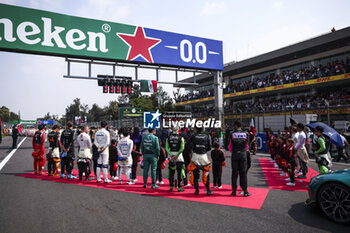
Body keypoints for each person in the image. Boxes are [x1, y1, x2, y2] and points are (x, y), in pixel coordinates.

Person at [228, 121, 251, 197]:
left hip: (235, 154)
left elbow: (229, 146)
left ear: (236, 125)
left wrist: (233, 151)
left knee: (234, 173)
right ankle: (245, 191)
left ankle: (234, 191)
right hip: (243, 154)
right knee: (243, 173)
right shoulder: (246, 134)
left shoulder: (232, 134)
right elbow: (247, 146)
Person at [189, 126, 213, 195]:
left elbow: (188, 145)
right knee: (206, 173)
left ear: (196, 129)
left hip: (195, 156)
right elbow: (209, 147)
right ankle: (208, 190)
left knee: (196, 174)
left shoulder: (193, 136)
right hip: (203, 156)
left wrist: (191, 151)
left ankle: (197, 190)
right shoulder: (206, 136)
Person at [166, 126, 185, 192]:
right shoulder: (181, 138)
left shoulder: (168, 138)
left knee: (171, 172)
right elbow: (182, 148)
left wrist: (171, 155)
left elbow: (166, 148)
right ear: (178, 130)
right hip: (179, 157)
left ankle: (171, 186)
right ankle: (179, 187)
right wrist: (176, 155)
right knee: (179, 173)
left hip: (171, 156)